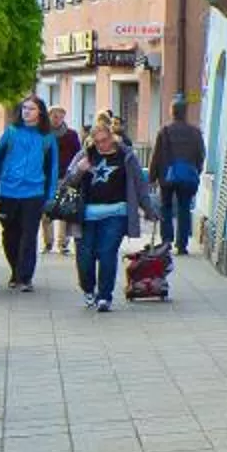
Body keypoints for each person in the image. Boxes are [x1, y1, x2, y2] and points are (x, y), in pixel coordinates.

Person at [63, 117, 157, 313]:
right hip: (86, 215)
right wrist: (80, 171)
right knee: (85, 257)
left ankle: (105, 296)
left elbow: (140, 186)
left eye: (104, 140)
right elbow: (68, 183)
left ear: (112, 137)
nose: (101, 145)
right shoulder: (85, 155)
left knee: (107, 252)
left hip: (116, 213)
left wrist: (149, 209)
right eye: (96, 142)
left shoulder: (126, 156)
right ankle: (88, 290)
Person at [0, 99, 61, 293]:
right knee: (10, 235)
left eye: (31, 109)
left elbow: (53, 168)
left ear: (40, 113)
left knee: (29, 235)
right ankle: (15, 271)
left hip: (34, 193)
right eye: (24, 108)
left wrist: (50, 196)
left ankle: (25, 277)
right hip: (9, 193)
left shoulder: (47, 138)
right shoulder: (11, 133)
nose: (26, 112)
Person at [148, 95, 206, 256]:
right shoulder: (195, 132)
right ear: (185, 112)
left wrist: (152, 177)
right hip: (187, 176)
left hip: (167, 177)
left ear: (172, 111)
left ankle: (167, 241)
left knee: (165, 208)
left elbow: (156, 155)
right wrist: (196, 170)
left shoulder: (164, 131)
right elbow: (201, 154)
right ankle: (182, 245)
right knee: (184, 208)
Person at [45, 105, 83, 254]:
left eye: (61, 117)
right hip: (47, 177)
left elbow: (78, 154)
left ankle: (63, 243)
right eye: (55, 116)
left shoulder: (71, 135)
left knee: (64, 209)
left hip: (66, 176)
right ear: (49, 117)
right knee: (46, 210)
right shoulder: (44, 134)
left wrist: (74, 173)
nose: (58, 120)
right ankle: (48, 242)